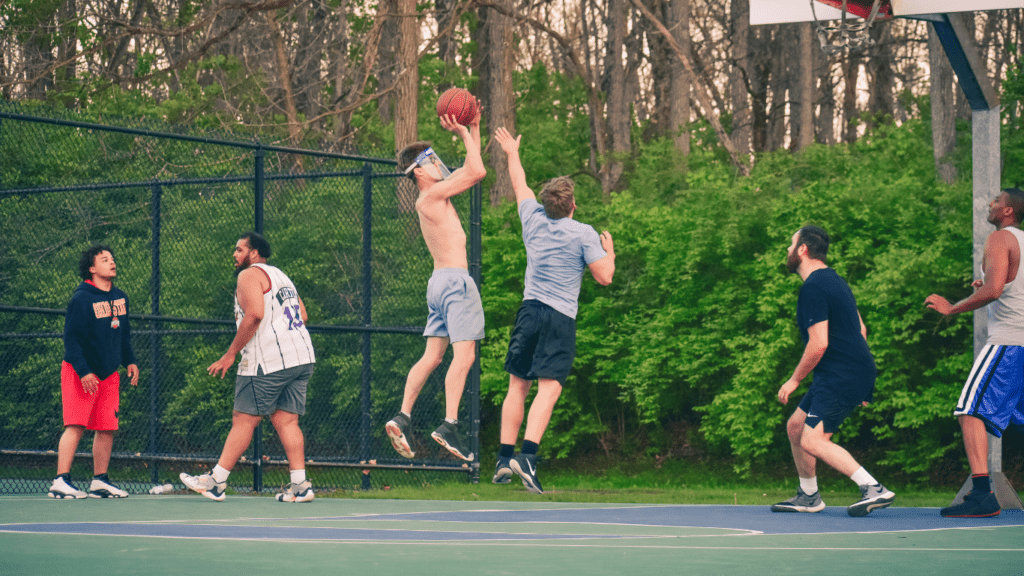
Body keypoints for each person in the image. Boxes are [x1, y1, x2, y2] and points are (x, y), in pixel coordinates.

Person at [489, 127, 616, 494]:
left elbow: (519, 184)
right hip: (559, 318)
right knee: (550, 387)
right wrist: (610, 250)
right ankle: (526, 457)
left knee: (518, 384)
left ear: (546, 204)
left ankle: (502, 457)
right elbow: (604, 277)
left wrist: (512, 152)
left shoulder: (531, 218)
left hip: (529, 311)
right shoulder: (583, 233)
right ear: (572, 205)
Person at [180, 232, 316, 502]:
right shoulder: (281, 275)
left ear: (254, 254)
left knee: (243, 420)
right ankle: (300, 485)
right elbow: (302, 314)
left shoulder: (249, 275)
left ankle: (216, 482)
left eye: (239, 249)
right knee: (287, 420)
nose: (235, 254)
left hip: (267, 360)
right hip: (301, 356)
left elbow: (255, 314)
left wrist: (230, 355)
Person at [384, 108, 487, 462]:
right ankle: (449, 425)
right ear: (419, 171)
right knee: (466, 354)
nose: (439, 164)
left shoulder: (435, 194)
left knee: (433, 355)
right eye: (432, 161)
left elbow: (471, 168)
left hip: (438, 283)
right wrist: (462, 132)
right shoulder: (431, 196)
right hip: (456, 282)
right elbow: (478, 171)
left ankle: (403, 416)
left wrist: (472, 128)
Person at [773, 226, 895, 517]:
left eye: (790, 245)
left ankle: (873, 488)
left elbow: (819, 343)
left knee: (812, 440)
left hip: (841, 373)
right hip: (843, 372)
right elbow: (860, 330)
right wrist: (864, 382)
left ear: (802, 249)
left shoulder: (814, 286)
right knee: (796, 427)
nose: (787, 251)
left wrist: (794, 380)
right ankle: (809, 496)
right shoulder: (835, 281)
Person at [925, 187, 1024, 518]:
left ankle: (982, 495)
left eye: (997, 201)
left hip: (1009, 342)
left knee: (969, 410)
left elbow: (997, 290)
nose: (991, 204)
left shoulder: (999, 239)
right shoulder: (1022, 241)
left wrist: (953, 309)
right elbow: (1009, 285)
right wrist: (987, 285)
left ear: (1008, 211)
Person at [49, 245, 140, 499]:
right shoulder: (82, 298)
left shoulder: (120, 297)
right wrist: (84, 371)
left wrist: (130, 361)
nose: (112, 263)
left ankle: (100, 481)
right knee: (76, 424)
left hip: (109, 373)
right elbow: (71, 338)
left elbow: (123, 335)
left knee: (106, 427)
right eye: (104, 260)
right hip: (81, 372)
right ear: (92, 268)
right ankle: (60, 480)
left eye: (112, 258)